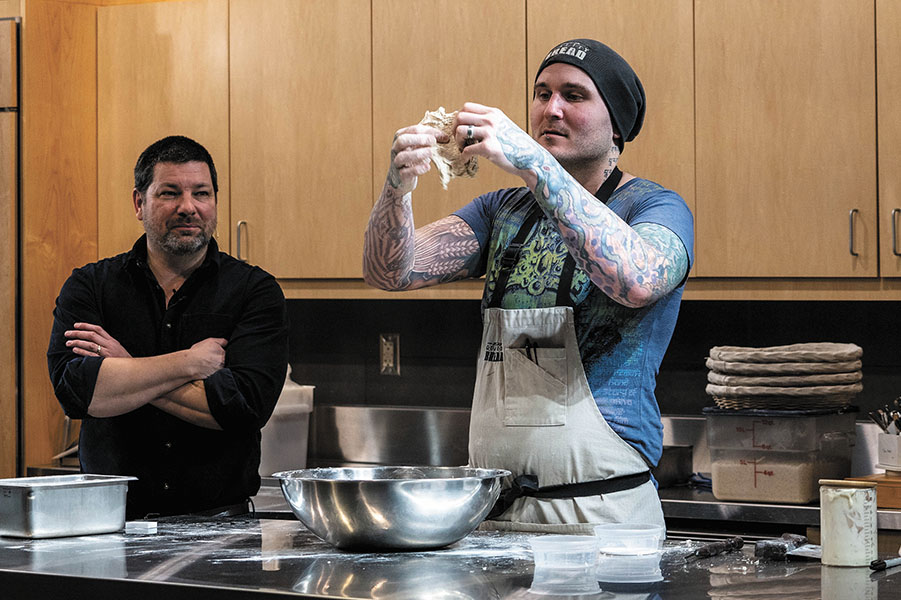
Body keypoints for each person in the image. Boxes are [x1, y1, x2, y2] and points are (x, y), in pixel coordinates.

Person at [363, 39, 693, 533]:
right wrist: (397, 188)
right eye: (542, 93)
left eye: (574, 96)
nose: (551, 109)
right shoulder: (503, 211)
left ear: (618, 125)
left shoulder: (655, 209)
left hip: (602, 514)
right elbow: (390, 272)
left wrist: (532, 164)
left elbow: (636, 281)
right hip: (499, 513)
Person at [47, 135, 289, 519]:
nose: (188, 207)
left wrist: (125, 365)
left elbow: (243, 409)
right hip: (109, 524)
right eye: (170, 193)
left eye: (202, 193)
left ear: (215, 202)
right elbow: (81, 395)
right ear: (139, 203)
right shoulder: (90, 286)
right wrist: (188, 364)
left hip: (220, 529)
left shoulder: (254, 291)